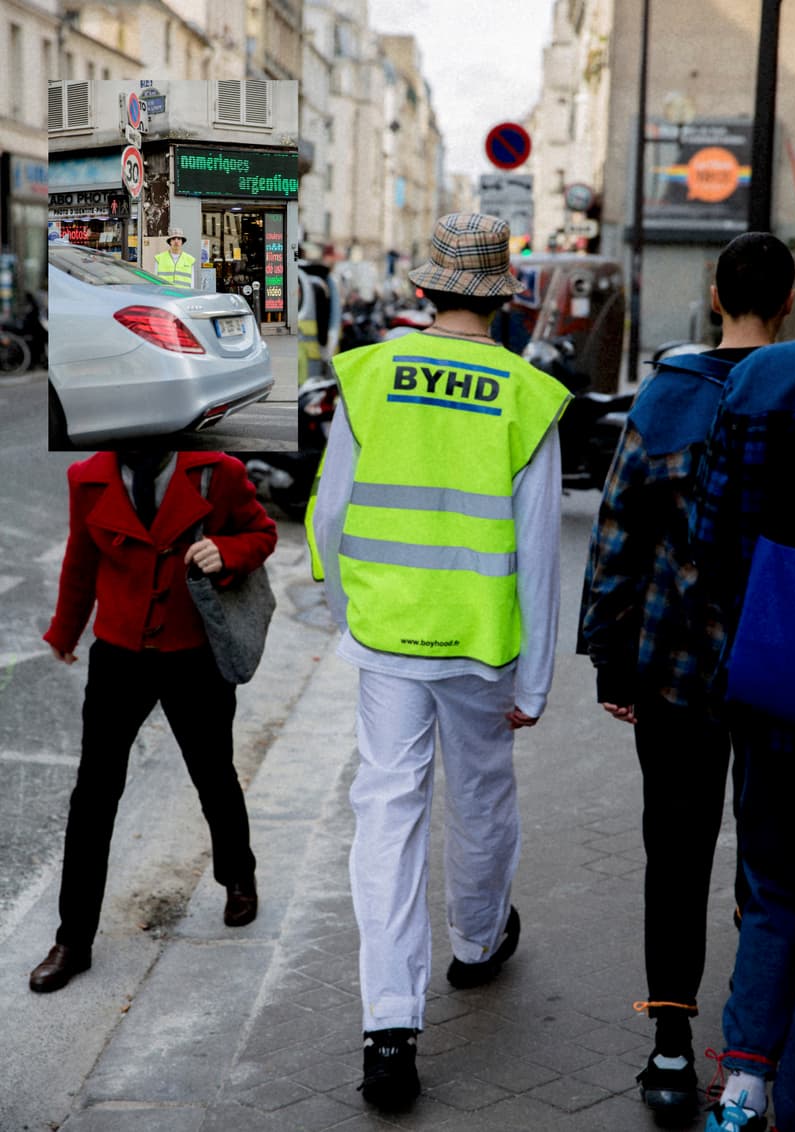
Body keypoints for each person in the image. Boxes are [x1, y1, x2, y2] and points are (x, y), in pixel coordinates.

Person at [308, 212, 571, 1109]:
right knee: (483, 793)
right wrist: (536, 679)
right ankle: (476, 941)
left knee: (387, 815)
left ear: (424, 290)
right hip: (480, 641)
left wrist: (356, 612)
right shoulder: (526, 394)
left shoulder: (371, 375)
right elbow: (538, 551)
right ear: (505, 296)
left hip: (389, 637)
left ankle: (389, 1029)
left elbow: (334, 513)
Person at [579, 232, 795, 1116]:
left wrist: (608, 656)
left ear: (715, 296)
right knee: (771, 859)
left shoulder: (668, 395)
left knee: (674, 849)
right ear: (786, 301)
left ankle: (670, 1049)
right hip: (778, 664)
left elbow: (619, 530)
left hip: (674, 662)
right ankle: (754, 1043)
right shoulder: (790, 393)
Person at [29, 449, 277, 993]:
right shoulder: (88, 476)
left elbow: (262, 534)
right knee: (93, 795)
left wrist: (227, 550)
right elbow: (81, 559)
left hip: (194, 654)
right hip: (120, 656)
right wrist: (66, 631)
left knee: (213, 774)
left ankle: (238, 875)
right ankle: (73, 939)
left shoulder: (217, 471)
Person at [693, 336, 795, 1132]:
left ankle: (744, 1088)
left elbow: (710, 529)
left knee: (773, 887)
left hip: (773, 666)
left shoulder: (763, 378)